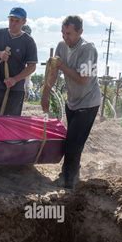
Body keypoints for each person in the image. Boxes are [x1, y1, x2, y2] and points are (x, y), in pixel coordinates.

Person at [41, 15, 101, 189]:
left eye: (69, 34)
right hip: (73, 101)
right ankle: (70, 175)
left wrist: (61, 66)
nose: (65, 37)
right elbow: (53, 71)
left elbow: (83, 79)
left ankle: (69, 181)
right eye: (63, 33)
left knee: (73, 144)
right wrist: (45, 93)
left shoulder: (88, 49)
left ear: (80, 32)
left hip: (88, 102)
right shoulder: (61, 46)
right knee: (70, 141)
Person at [0, 7, 37, 115]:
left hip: (16, 90)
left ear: (23, 22)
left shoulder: (28, 41)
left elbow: (32, 67)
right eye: (11, 20)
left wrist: (15, 79)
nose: (13, 23)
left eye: (17, 21)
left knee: (11, 124)